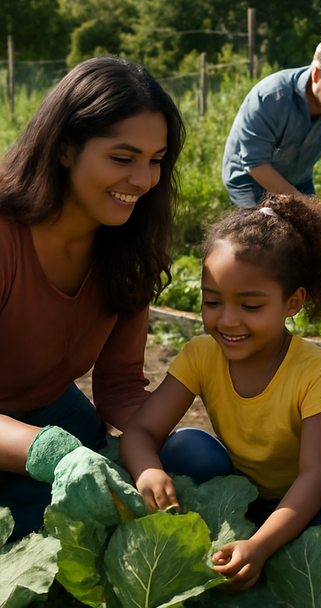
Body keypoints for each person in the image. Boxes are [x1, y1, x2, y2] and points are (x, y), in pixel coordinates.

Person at [120, 193, 321, 592]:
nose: (227, 320)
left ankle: (259, 548)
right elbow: (142, 431)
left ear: (292, 302)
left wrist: (260, 545)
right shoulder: (201, 355)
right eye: (212, 301)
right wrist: (148, 471)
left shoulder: (316, 370)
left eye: (250, 306)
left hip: (317, 493)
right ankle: (246, 542)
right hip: (248, 491)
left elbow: (316, 475)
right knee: (184, 449)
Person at [0, 57, 184, 540]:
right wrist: (53, 454)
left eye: (156, 160)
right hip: (29, 432)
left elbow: (120, 385)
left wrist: (153, 445)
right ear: (64, 149)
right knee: (37, 538)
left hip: (47, 410)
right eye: (123, 159)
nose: (143, 180)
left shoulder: (129, 246)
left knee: (178, 473)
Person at [222, 35, 321, 232]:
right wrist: (304, 204)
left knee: (308, 238)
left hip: (298, 179)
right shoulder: (270, 97)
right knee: (264, 239)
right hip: (250, 178)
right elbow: (255, 164)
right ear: (316, 74)